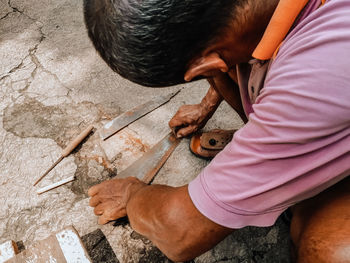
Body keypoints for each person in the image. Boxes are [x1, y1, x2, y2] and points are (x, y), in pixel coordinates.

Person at [83, 0, 350, 261]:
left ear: (207, 66)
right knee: (225, 47)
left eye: (204, 73)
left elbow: (180, 232)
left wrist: (132, 195)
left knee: (327, 248)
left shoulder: (316, 72)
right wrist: (207, 104)